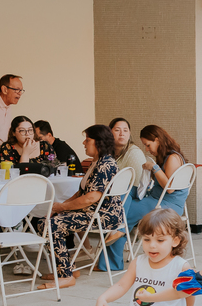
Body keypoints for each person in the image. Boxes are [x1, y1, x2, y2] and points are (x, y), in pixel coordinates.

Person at [32, 124, 125, 289]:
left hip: (103, 215)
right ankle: (67, 269)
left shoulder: (105, 164)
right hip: (94, 212)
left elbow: (91, 197)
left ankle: (66, 276)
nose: (84, 143)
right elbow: (81, 192)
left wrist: (62, 208)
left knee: (52, 225)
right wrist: (60, 207)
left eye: (87, 140)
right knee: (43, 221)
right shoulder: (97, 162)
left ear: (98, 142)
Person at [104, 125, 188, 271]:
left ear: (157, 140)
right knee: (126, 195)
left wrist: (154, 168)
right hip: (159, 200)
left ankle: (112, 256)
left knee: (122, 212)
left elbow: (169, 188)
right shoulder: (169, 156)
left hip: (165, 204)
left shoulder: (173, 158)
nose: (147, 149)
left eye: (148, 145)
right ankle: (119, 231)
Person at [98, 117, 148, 272]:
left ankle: (109, 263)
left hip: (132, 193)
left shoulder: (133, 152)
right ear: (110, 131)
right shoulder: (107, 152)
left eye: (125, 130)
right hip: (112, 193)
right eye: (117, 130)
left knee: (119, 212)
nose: (122, 134)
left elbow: (137, 182)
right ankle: (107, 261)